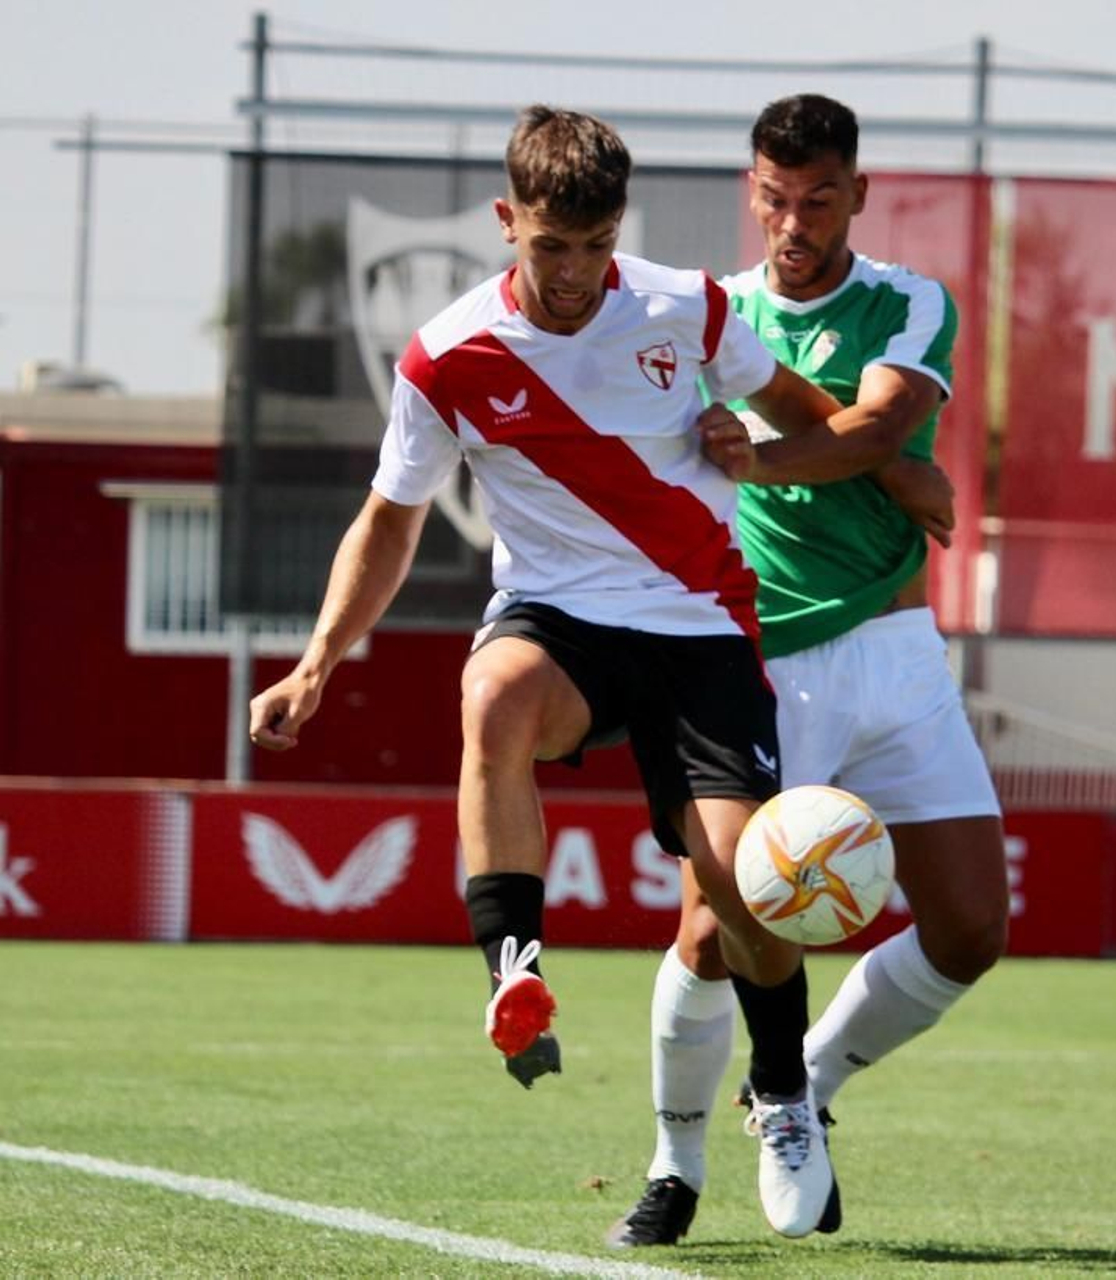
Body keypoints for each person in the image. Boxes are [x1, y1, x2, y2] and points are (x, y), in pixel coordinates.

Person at [247, 105, 856, 1241]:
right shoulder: (448, 354)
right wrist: (317, 662)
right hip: (557, 618)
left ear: (617, 229)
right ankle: (514, 971)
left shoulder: (687, 305)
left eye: (594, 245)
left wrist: (810, 459)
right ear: (505, 223)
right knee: (491, 696)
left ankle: (783, 1091)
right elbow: (387, 520)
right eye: (548, 246)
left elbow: (801, 413)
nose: (573, 274)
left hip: (700, 627)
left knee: (741, 896)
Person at [608, 93, 1010, 1249]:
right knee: (710, 932)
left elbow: (878, 427)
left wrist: (774, 458)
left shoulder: (906, 298)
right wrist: (875, 476)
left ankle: (806, 1080)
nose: (795, 221)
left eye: (818, 198)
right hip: (763, 663)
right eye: (776, 198)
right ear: (752, 191)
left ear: (857, 195)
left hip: (896, 652)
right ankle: (674, 1162)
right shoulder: (706, 318)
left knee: (971, 926)